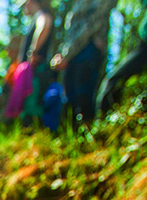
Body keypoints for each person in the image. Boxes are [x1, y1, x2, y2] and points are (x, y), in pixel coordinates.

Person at [50, 0, 117, 128]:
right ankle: (72, 141)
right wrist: (63, 53)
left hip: (87, 52)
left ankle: (87, 140)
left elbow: (91, 24)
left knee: (83, 100)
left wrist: (67, 54)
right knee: (69, 102)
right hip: (73, 55)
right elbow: (72, 29)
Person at [16, 0, 55, 125]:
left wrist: (33, 52)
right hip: (31, 74)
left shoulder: (42, 15)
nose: (23, 9)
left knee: (32, 107)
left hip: (36, 73)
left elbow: (45, 25)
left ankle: (34, 135)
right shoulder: (37, 18)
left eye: (24, 5)